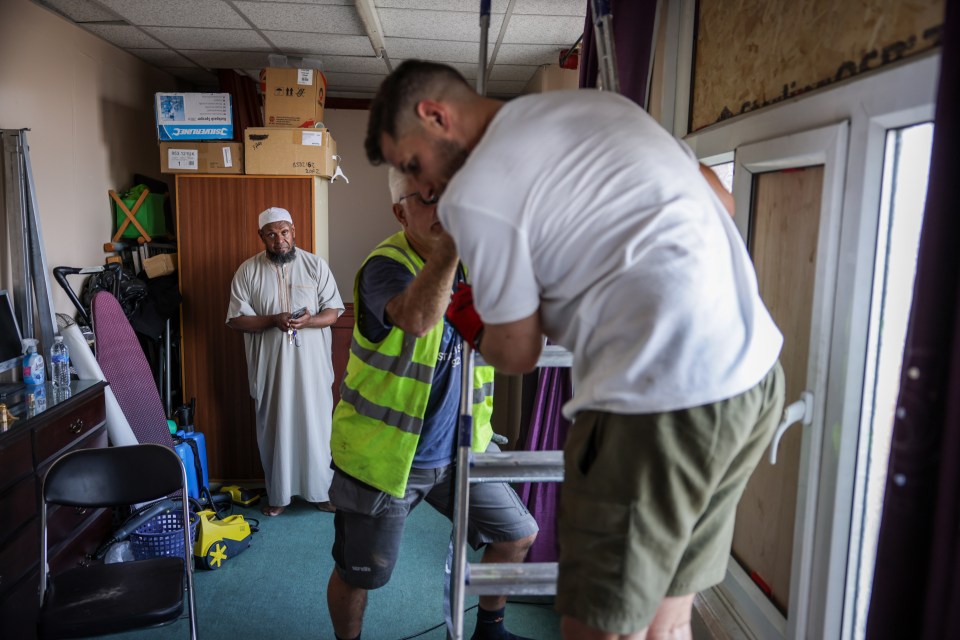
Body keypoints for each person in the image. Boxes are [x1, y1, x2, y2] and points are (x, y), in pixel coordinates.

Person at [364, 60, 786, 640]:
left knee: (599, 627)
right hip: (753, 374)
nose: (427, 189)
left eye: (414, 164)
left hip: (659, 398)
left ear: (435, 116)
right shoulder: (600, 106)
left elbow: (516, 353)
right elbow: (721, 199)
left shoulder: (476, 191)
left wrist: (466, 288)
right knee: (666, 613)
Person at [325, 169, 539, 640]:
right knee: (362, 573)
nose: (446, 208)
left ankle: (490, 629)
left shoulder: (472, 264)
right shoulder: (386, 266)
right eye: (429, 198)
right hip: (385, 460)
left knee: (518, 534)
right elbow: (418, 318)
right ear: (400, 211)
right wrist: (454, 244)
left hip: (462, 450)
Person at [226, 206, 344, 517]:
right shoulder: (247, 271)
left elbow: (333, 313)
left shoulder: (315, 265)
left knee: (316, 428)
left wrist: (309, 321)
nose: (280, 240)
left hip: (312, 368)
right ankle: (278, 495)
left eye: (285, 232)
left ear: (294, 230)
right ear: (261, 237)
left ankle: (321, 493)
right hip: (271, 370)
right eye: (272, 234)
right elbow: (237, 320)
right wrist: (272, 320)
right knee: (275, 428)